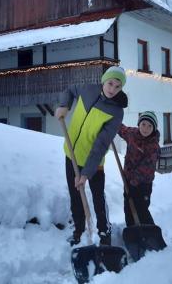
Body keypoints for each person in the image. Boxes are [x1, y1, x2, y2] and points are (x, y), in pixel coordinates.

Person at [55, 66, 128, 246]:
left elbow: (101, 145)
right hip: (71, 154)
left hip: (94, 162)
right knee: (75, 195)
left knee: (97, 196)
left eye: (118, 87)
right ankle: (79, 231)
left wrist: (87, 173)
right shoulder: (87, 90)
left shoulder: (116, 111)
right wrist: (64, 105)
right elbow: (70, 90)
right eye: (110, 83)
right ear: (104, 80)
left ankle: (104, 233)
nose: (112, 89)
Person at [117, 111, 160, 227]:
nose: (146, 128)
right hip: (129, 181)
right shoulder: (132, 134)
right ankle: (132, 231)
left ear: (154, 128)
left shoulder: (153, 146)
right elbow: (122, 129)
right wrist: (112, 121)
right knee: (128, 208)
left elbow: (147, 169)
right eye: (143, 124)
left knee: (142, 210)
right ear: (139, 124)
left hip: (143, 185)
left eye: (150, 126)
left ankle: (149, 232)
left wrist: (133, 181)